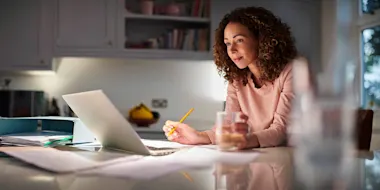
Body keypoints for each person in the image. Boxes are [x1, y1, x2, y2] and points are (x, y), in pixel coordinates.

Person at [162, 6, 300, 149]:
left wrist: (245, 140)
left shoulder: (291, 72)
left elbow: (280, 131)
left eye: (239, 40)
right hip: (257, 158)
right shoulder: (237, 79)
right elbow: (228, 127)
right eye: (227, 43)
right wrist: (197, 136)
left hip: (289, 160)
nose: (232, 49)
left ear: (262, 39)